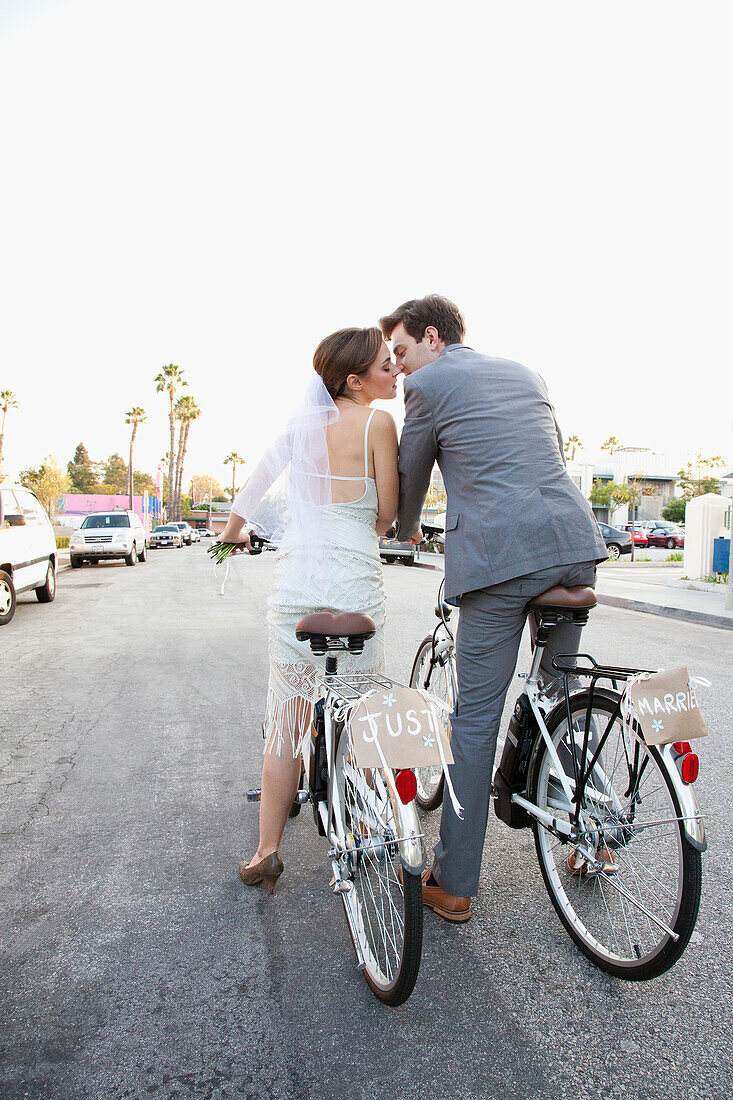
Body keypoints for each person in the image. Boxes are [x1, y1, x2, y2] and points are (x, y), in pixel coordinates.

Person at [380, 294, 608, 922]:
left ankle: (454, 884)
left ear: (431, 337)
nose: (398, 368)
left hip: (502, 558)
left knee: (476, 716)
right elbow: (546, 455)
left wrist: (401, 531)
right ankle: (593, 834)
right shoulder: (525, 372)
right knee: (561, 694)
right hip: (572, 541)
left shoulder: (427, 385)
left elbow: (414, 471)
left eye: (400, 351)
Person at [218, 328, 400, 893]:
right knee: (364, 715)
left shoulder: (300, 428)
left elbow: (251, 492)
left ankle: (266, 850)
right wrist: (358, 539)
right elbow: (386, 513)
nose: (395, 370)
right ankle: (368, 827)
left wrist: (226, 542)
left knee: (286, 723)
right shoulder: (378, 425)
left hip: (296, 595)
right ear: (354, 380)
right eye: (384, 364)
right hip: (356, 594)